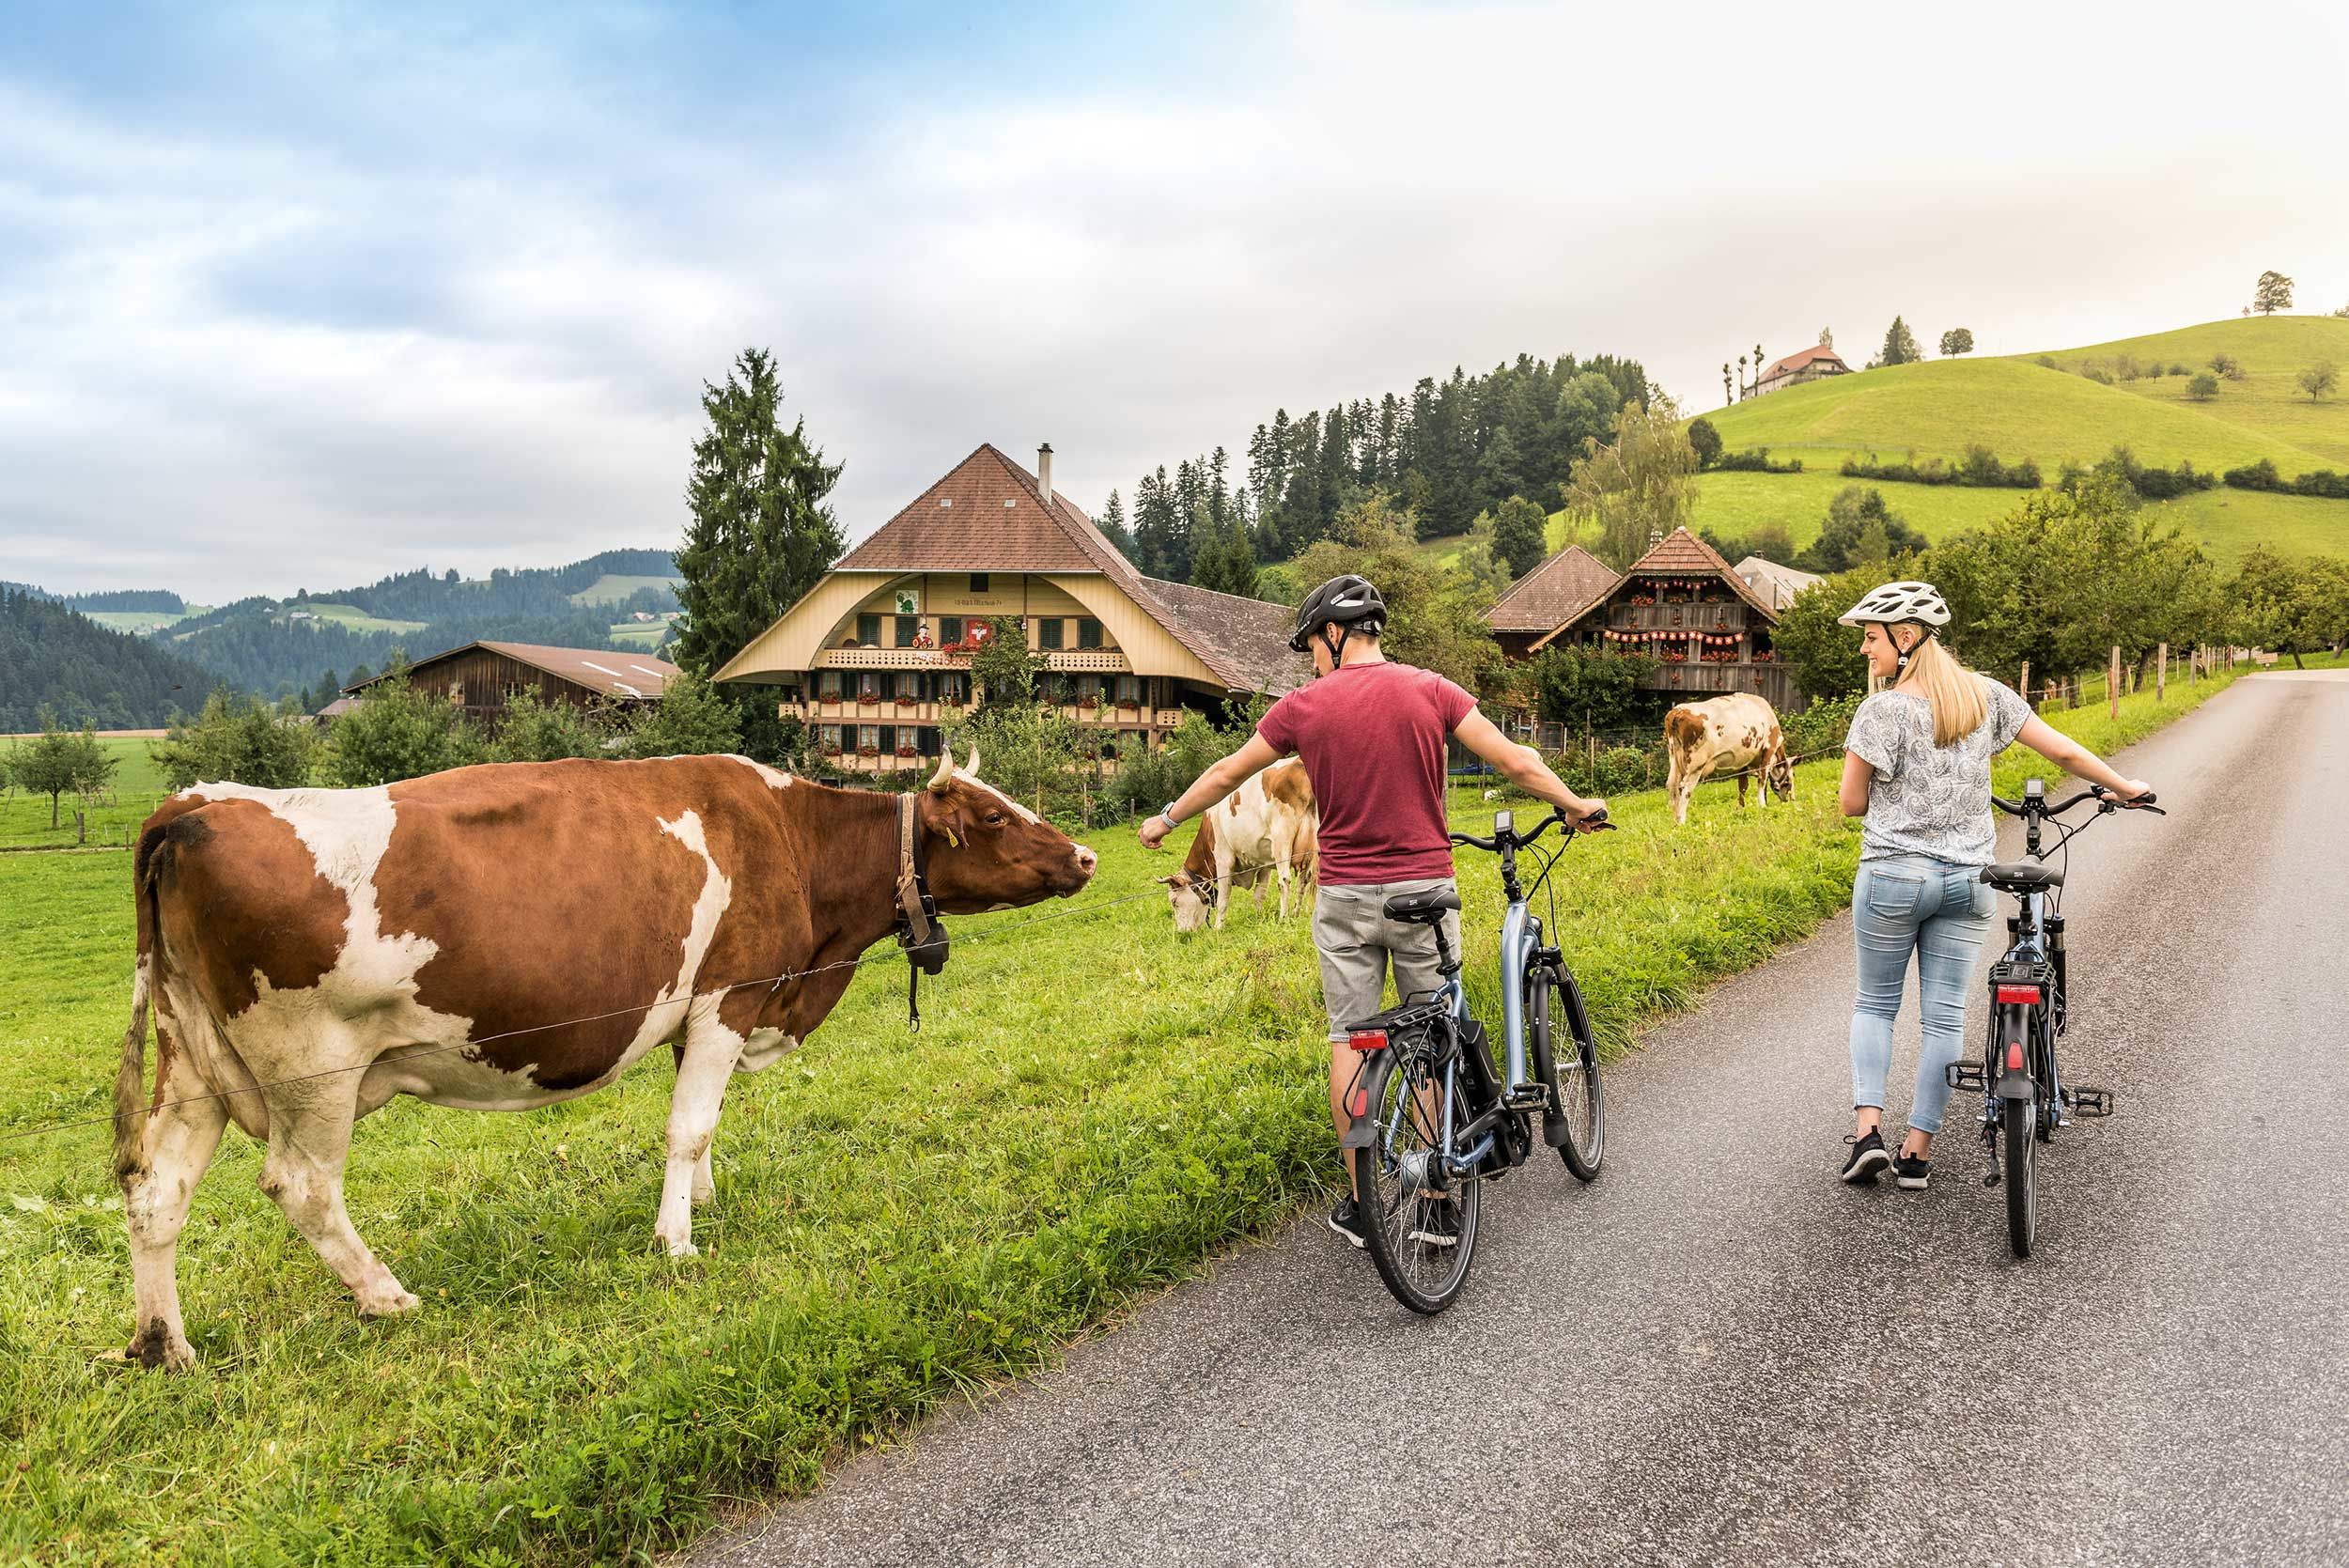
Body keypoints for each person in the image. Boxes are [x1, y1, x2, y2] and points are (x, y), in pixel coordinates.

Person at [1139, 575, 1607, 1248]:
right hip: (1425, 893)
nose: (1312, 661)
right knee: (1432, 1040)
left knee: (1351, 1040)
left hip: (1344, 900)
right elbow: (1514, 758)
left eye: (1312, 647)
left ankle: (1362, 1196)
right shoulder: (1432, 689)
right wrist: (1571, 802)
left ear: (1333, 633)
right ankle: (1436, 1194)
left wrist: (1166, 817)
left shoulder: (1303, 707)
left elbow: (1226, 773)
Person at [1833, 581, 2152, 1190]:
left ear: (1905, 637)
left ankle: (1868, 1133)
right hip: (1968, 879)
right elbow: (2059, 749)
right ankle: (1917, 1152)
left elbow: (1851, 801)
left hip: (1893, 874)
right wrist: (2124, 785)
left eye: (1871, 638)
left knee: (1876, 1004)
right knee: (1944, 1018)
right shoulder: (1986, 698)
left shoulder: (1880, 710)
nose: (1865, 651)